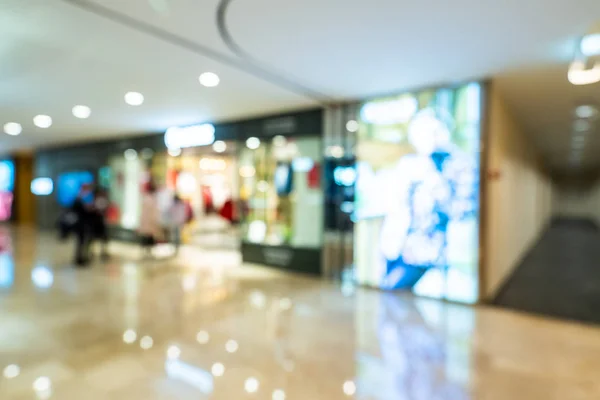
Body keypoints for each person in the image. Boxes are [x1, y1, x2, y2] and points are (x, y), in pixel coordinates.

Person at [138, 183, 161, 258]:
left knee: (147, 236)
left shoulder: (146, 199)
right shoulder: (152, 200)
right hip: (149, 222)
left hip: (147, 221)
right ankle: (147, 250)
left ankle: (146, 249)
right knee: (148, 236)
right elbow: (154, 212)